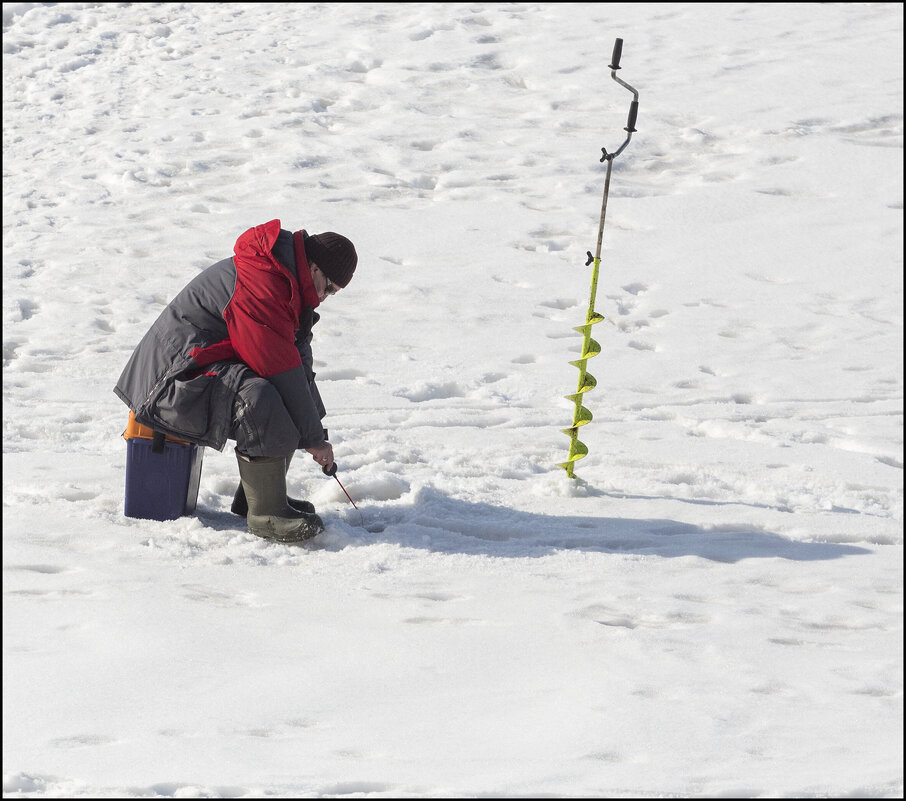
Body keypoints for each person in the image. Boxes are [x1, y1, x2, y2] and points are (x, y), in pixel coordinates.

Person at [114, 219, 357, 543]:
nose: (326, 296)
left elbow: (297, 366)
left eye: (333, 293)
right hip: (166, 382)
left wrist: (315, 431)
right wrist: (312, 438)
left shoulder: (289, 286)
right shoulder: (264, 281)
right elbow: (276, 365)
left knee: (287, 398)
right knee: (260, 398)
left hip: (200, 365)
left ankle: (260, 497)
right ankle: (266, 515)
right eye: (328, 287)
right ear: (313, 268)